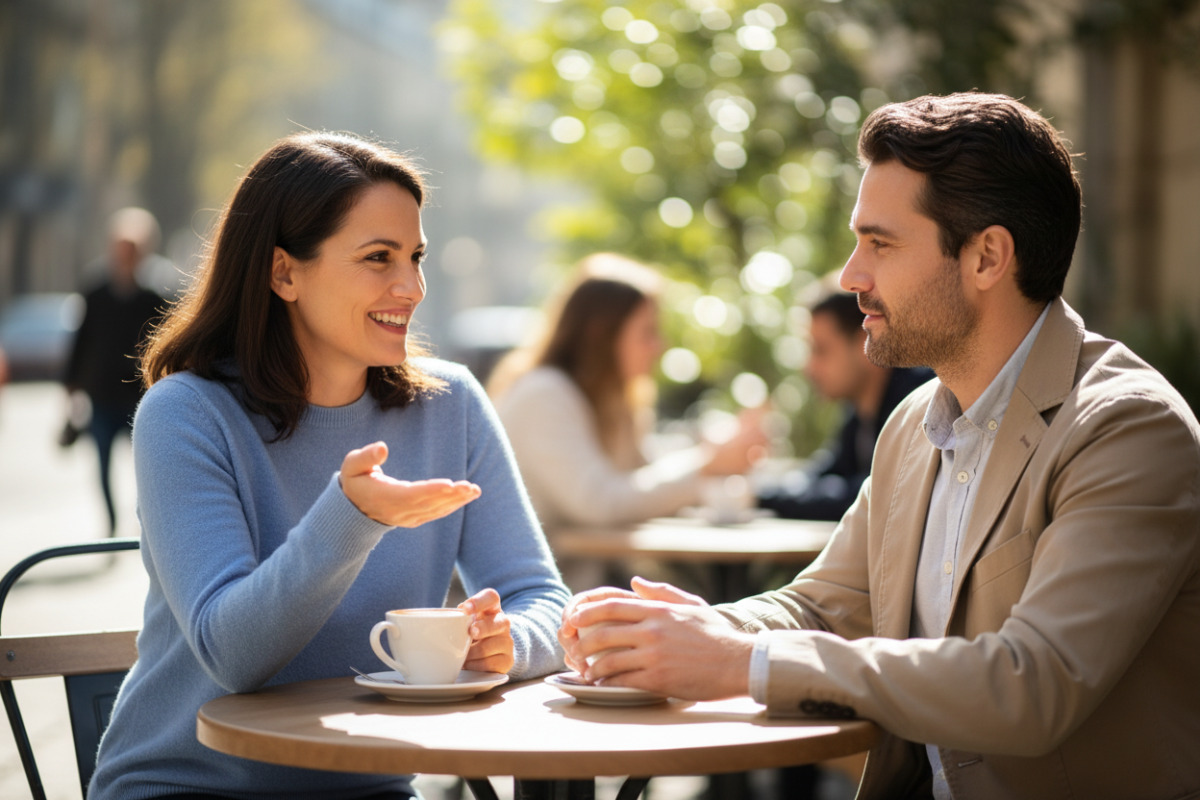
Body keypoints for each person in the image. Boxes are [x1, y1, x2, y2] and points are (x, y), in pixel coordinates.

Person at [558, 92, 1200, 800]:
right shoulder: (917, 422)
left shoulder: (1127, 429)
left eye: (880, 242)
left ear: (987, 256)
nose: (851, 276)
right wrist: (681, 630)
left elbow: (1033, 684)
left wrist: (742, 660)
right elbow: (824, 607)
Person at [88, 132, 570, 800]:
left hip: (368, 788)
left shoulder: (451, 404)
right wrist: (352, 517)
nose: (412, 286)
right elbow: (235, 655)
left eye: (415, 257)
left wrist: (510, 641)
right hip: (188, 785)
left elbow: (543, 598)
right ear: (284, 272)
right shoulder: (186, 414)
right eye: (379, 258)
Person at [488, 253, 767, 589]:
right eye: (647, 332)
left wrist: (715, 460)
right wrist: (708, 464)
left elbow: (643, 482)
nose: (659, 345)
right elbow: (603, 503)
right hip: (523, 600)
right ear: (600, 335)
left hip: (582, 586)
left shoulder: (613, 398)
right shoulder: (544, 394)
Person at [758, 291, 931, 521]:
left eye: (820, 350)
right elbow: (825, 476)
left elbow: (876, 493)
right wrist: (758, 490)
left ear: (865, 342)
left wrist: (761, 498)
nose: (809, 368)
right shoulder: (859, 413)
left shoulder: (919, 403)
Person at [62, 207, 167, 535]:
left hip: (140, 396)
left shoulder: (154, 297)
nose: (126, 256)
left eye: (133, 250)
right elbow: (81, 341)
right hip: (102, 392)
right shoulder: (94, 293)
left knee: (147, 464)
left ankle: (149, 522)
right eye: (121, 249)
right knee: (103, 463)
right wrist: (71, 386)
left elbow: (166, 344)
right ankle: (110, 524)